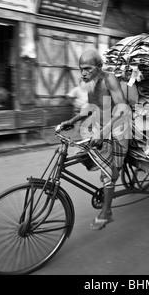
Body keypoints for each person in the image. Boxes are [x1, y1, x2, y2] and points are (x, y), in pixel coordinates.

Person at [56, 50, 130, 231]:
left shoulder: (109, 79)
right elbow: (91, 108)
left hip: (118, 129)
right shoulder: (90, 82)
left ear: (99, 67)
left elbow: (122, 108)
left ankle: (107, 212)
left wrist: (104, 132)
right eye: (81, 69)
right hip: (99, 128)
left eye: (87, 68)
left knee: (109, 175)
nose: (83, 73)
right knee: (82, 152)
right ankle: (106, 174)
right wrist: (72, 121)